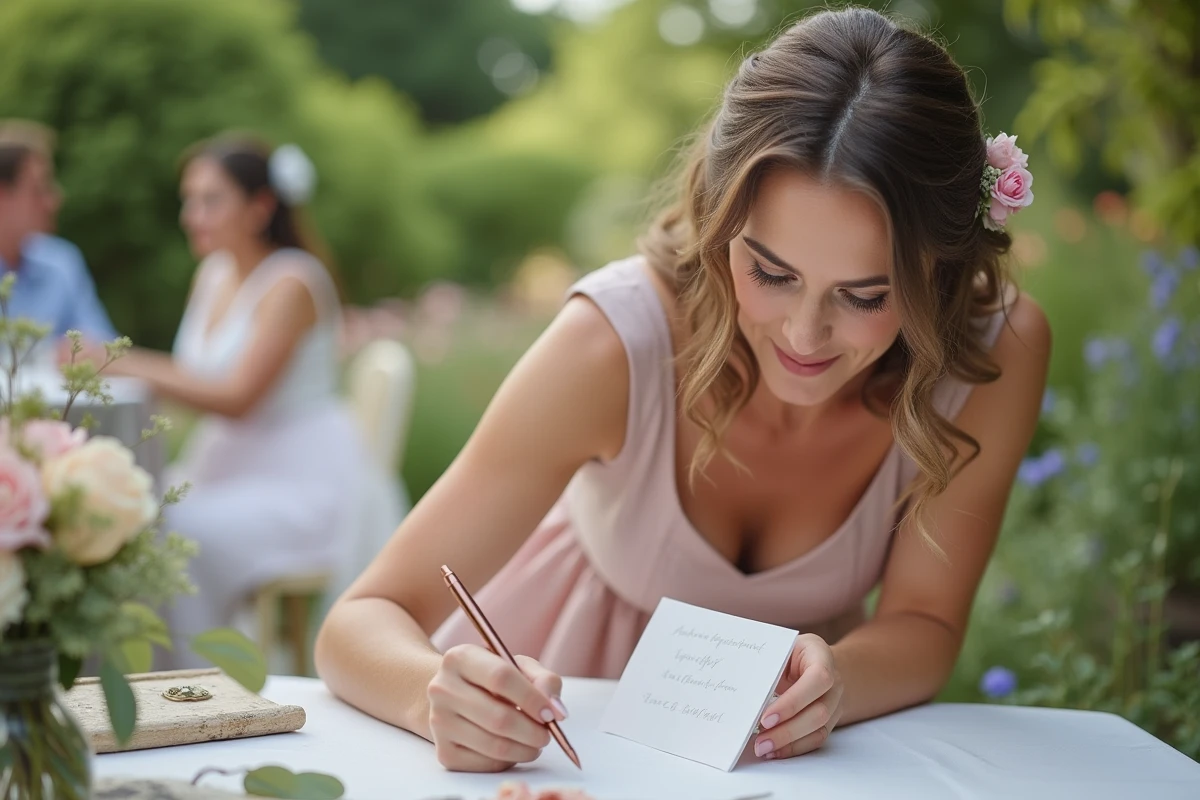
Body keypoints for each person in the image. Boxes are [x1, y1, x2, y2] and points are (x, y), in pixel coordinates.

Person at [315, 6, 1051, 773]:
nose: (804, 336)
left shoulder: (992, 355)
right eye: (771, 273)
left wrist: (841, 681)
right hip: (560, 746)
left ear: (941, 266)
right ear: (719, 219)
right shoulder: (612, 346)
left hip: (789, 764)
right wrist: (433, 690)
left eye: (864, 295)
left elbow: (925, 622)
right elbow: (361, 620)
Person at [83, 133, 370, 667]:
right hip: (227, 469)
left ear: (260, 207)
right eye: (189, 200)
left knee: (179, 531)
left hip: (298, 482)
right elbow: (191, 381)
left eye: (211, 200)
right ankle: (130, 676)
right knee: (118, 509)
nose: (193, 215)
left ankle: (202, 689)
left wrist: (118, 360)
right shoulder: (212, 274)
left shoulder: (291, 283)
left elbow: (238, 398)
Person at [0, 120, 117, 342]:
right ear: (2, 195)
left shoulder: (61, 262)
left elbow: (103, 349)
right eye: (39, 189)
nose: (55, 200)